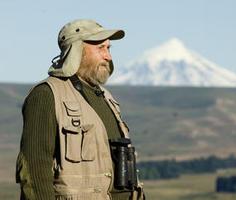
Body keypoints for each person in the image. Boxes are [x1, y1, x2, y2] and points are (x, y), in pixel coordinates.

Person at [16, 19, 145, 200]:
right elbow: (34, 169)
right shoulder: (46, 95)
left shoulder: (106, 96)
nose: (108, 56)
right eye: (100, 48)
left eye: (109, 49)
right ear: (77, 51)